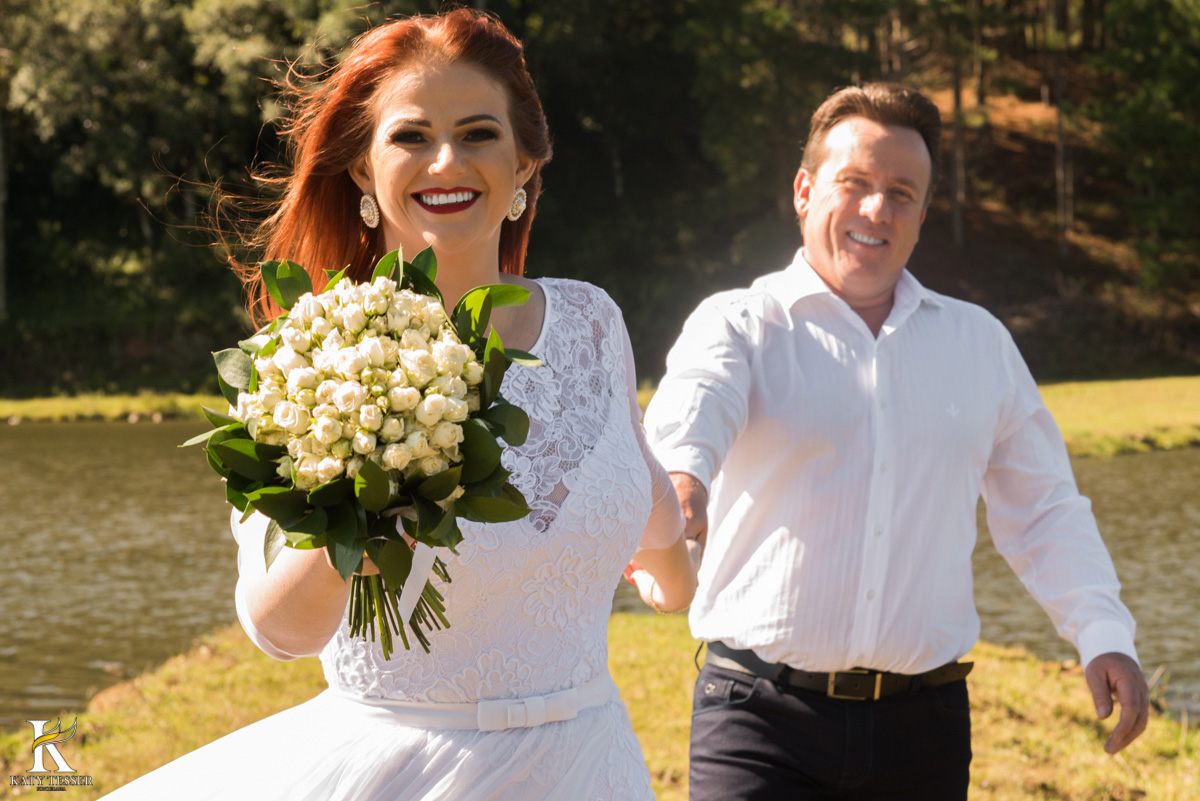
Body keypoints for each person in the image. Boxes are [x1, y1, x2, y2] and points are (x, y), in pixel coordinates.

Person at [102, 9, 695, 800]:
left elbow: (632, 473)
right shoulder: (308, 361)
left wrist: (672, 566)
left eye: (479, 133)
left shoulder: (592, 320)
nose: (446, 161)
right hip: (408, 774)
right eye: (411, 136)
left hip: (591, 765)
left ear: (524, 162)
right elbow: (279, 628)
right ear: (361, 171)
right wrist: (374, 492)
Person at [643, 82, 1149, 800]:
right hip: (758, 724)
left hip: (924, 733)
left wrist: (1104, 631)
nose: (877, 209)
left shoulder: (980, 343)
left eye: (901, 192)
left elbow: (1044, 510)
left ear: (922, 212)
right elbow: (694, 411)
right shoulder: (740, 324)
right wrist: (682, 481)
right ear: (804, 190)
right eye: (855, 183)